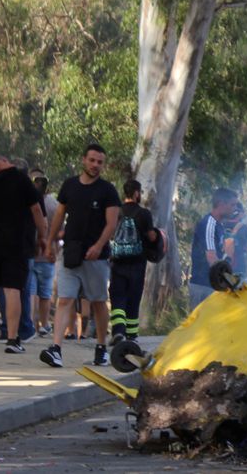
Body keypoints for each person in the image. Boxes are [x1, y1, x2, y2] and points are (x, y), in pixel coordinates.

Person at [41, 144, 120, 368]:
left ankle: (102, 347)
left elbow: (111, 223)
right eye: (92, 160)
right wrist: (49, 241)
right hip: (71, 253)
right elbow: (59, 214)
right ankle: (56, 349)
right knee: (64, 299)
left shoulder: (108, 191)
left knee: (97, 302)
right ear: (83, 160)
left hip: (96, 257)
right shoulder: (69, 185)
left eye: (100, 162)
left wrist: (99, 245)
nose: (95, 165)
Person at [0, 151, 45, 355]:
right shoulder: (20, 179)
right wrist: (43, 237)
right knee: (13, 290)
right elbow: (37, 210)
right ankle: (13, 339)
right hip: (17, 243)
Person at [108, 180, 158, 344]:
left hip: (117, 262)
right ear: (137, 193)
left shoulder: (117, 211)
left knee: (118, 298)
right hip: (137, 264)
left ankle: (118, 332)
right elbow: (151, 236)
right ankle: (132, 336)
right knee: (134, 298)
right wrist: (159, 236)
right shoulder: (144, 213)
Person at [187, 188, 238, 310]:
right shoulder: (209, 224)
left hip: (211, 286)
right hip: (203, 287)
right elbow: (211, 258)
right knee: (201, 328)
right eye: (232, 204)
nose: (235, 208)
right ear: (221, 204)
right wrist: (230, 279)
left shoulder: (219, 225)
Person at [30, 169, 58, 337]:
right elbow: (60, 230)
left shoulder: (26, 199)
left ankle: (31, 322)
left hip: (31, 252)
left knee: (31, 292)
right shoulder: (54, 205)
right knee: (45, 293)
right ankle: (44, 324)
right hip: (48, 253)